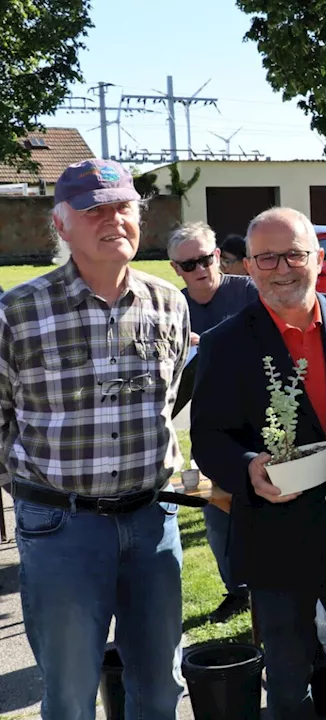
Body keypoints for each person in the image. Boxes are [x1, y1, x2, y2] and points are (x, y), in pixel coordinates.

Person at [0, 159, 195, 719]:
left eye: (124, 207)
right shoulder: (18, 311)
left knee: (161, 687)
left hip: (152, 522)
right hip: (62, 527)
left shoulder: (168, 304)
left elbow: (170, 394)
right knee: (70, 693)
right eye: (94, 210)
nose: (114, 220)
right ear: (61, 225)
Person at [190, 207, 326, 720]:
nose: (283, 268)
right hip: (277, 535)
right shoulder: (224, 343)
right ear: (248, 267)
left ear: (319, 259)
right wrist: (250, 467)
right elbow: (210, 438)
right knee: (286, 674)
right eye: (267, 257)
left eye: (295, 254)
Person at [167, 221, 259, 622]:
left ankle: (277, 589)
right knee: (216, 512)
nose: (200, 268)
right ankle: (237, 590)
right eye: (189, 264)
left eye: (206, 258)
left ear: (218, 256)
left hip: (261, 421)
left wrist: (215, 344)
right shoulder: (172, 306)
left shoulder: (248, 292)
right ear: (175, 269)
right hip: (209, 428)